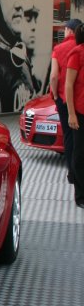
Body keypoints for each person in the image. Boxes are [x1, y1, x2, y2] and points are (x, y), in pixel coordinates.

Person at [50, 18, 82, 183]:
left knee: (69, 137)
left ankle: (72, 173)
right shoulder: (80, 48)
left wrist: (55, 95)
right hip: (79, 100)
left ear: (69, 30)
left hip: (63, 98)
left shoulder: (59, 48)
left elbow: (54, 76)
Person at [65, 24, 84, 207]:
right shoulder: (77, 54)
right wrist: (71, 113)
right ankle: (80, 195)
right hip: (80, 112)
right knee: (79, 155)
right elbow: (69, 85)